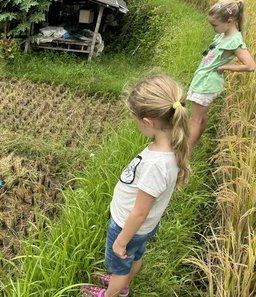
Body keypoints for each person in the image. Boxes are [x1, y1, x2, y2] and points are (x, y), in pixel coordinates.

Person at [81, 76, 190, 297]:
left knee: (120, 263)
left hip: (126, 227)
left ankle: (113, 292)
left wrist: (121, 242)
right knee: (135, 257)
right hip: (143, 230)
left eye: (135, 119)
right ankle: (122, 282)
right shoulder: (169, 149)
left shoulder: (156, 165)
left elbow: (140, 211)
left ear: (148, 122)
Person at [187, 0, 255, 148]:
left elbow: (250, 66)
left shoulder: (234, 41)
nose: (213, 28)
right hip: (204, 80)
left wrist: (226, 66)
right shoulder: (224, 34)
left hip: (205, 84)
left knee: (195, 121)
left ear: (229, 21)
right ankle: (191, 146)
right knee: (201, 119)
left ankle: (183, 155)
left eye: (214, 25)